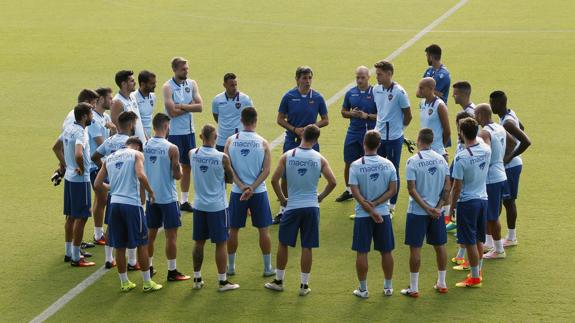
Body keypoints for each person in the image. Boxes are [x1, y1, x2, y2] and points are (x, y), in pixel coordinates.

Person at [265, 125, 337, 296]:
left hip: (293, 206)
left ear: (302, 135)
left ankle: (279, 280)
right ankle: (304, 285)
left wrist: (283, 199)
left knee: (283, 243)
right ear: (316, 139)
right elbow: (333, 182)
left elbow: (274, 180)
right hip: (312, 207)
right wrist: (320, 197)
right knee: (307, 246)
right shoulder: (319, 158)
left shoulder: (288, 155)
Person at [94, 137, 163, 292]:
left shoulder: (110, 158)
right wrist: (151, 192)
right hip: (132, 205)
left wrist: (113, 188)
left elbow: (97, 184)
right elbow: (140, 175)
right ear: (138, 146)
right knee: (142, 244)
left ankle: (125, 283)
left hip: (115, 205)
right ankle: (147, 283)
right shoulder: (136, 155)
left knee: (119, 246)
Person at [274, 66, 329, 224]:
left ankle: (309, 203)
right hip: (292, 140)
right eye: (304, 78)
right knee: (286, 173)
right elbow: (280, 119)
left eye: (310, 78)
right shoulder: (289, 97)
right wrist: (294, 129)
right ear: (297, 79)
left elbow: (325, 120)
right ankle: (284, 207)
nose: (308, 81)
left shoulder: (317, 97)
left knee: (312, 172)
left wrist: (311, 127)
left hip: (311, 141)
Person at [224, 107, 275, 277]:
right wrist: (252, 188)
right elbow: (266, 170)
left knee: (233, 229)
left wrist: (241, 186)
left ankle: (231, 267)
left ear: (241, 119)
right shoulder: (262, 142)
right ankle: (267, 268)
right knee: (263, 230)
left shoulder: (230, 141)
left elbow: (227, 168)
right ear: (256, 120)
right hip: (259, 192)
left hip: (237, 192)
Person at [400, 129, 451, 297]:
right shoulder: (441, 160)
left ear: (419, 139)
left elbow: (411, 189)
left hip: (417, 212)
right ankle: (442, 282)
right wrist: (438, 207)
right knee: (440, 246)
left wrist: (426, 208)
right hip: (437, 212)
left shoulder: (412, 161)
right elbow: (447, 187)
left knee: (415, 248)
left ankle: (414, 288)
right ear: (432, 140)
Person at [190, 125, 239, 292]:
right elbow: (231, 178)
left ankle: (197, 278)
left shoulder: (193, 153)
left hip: (199, 205)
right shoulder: (222, 157)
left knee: (199, 242)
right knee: (221, 243)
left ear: (201, 136)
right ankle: (222, 281)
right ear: (216, 137)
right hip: (218, 206)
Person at [348, 130, 397, 299]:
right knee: (386, 251)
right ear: (379, 144)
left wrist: (369, 208)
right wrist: (376, 206)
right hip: (383, 213)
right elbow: (393, 190)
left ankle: (363, 289)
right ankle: (388, 287)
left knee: (362, 252)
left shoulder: (355, 165)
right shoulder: (388, 164)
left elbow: (354, 191)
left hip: (362, 215)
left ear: (364, 143)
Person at [143, 113, 190, 281]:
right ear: (165, 126)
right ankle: (172, 271)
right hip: (168, 198)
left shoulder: (146, 145)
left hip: (151, 197)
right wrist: (181, 170)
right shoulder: (172, 148)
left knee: (151, 234)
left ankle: (148, 267)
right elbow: (177, 175)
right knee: (171, 236)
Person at [92, 111, 140, 269]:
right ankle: (132, 261)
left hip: (114, 188)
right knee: (132, 227)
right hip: (129, 190)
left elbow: (94, 156)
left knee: (112, 225)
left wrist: (104, 169)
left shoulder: (110, 140)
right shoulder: (131, 142)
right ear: (131, 124)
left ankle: (108, 259)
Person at [450, 117, 491, 288]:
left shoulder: (461, 158)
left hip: (467, 202)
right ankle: (477, 272)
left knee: (470, 241)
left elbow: (457, 187)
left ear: (461, 133)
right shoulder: (486, 149)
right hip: (483, 199)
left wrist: (451, 207)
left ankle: (474, 278)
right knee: (479, 239)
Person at [55, 103, 95, 267]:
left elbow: (56, 147)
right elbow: (79, 153)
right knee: (82, 216)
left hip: (70, 178)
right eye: (91, 114)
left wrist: (66, 165)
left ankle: (68, 252)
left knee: (71, 216)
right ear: (85, 116)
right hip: (80, 180)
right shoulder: (81, 132)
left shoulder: (69, 129)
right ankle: (77, 257)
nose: (92, 116)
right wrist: (82, 167)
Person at [475, 104, 517, 259]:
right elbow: (512, 142)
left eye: (475, 115)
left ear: (480, 115)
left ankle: (498, 249)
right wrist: (502, 159)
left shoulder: (484, 132)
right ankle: (491, 243)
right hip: (501, 174)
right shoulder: (499, 127)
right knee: (493, 212)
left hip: (491, 177)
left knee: (492, 215)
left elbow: (484, 153)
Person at [490, 91, 531, 246]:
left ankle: (511, 237)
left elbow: (526, 141)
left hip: (511, 166)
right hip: (510, 166)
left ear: (500, 104)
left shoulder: (507, 122)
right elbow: (522, 127)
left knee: (508, 201)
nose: (491, 105)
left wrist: (509, 157)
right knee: (506, 201)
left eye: (493, 103)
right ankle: (508, 236)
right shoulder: (509, 114)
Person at [163, 57, 203, 212]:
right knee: (173, 166)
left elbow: (200, 107)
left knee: (187, 167)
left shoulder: (192, 84)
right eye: (183, 69)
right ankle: (170, 199)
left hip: (190, 132)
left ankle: (184, 200)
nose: (186, 71)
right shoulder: (168, 87)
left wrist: (182, 106)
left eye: (187, 68)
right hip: (174, 133)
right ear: (174, 69)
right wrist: (189, 107)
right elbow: (171, 112)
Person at [372, 60, 412, 215]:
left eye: (380, 74)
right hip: (379, 137)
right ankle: (379, 201)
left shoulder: (399, 92)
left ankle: (392, 206)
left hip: (394, 139)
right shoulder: (376, 90)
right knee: (379, 169)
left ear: (389, 74)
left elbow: (408, 115)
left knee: (393, 171)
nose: (377, 77)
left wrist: (400, 130)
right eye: (377, 74)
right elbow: (381, 112)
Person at [335, 66, 377, 203]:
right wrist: (351, 114)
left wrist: (367, 116)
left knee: (370, 163)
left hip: (370, 134)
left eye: (362, 77)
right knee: (349, 162)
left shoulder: (376, 93)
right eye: (357, 77)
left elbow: (382, 115)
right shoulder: (350, 93)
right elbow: (343, 111)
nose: (359, 80)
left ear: (368, 77)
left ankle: (369, 191)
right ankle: (349, 191)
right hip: (353, 132)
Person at [88, 87, 114, 245]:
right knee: (102, 197)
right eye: (109, 98)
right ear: (100, 100)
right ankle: (98, 234)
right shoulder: (94, 120)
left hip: (105, 163)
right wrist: (113, 132)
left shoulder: (106, 116)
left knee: (101, 198)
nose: (112, 101)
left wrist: (112, 131)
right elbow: (101, 144)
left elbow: (110, 138)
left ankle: (99, 233)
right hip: (95, 164)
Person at [212, 73, 254, 152]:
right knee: (222, 163)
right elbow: (216, 116)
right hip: (222, 141)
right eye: (231, 85)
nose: (234, 88)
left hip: (239, 141)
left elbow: (252, 117)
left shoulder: (245, 99)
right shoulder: (217, 100)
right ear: (224, 85)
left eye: (235, 85)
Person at [416, 77, 451, 159]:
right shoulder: (422, 103)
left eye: (422, 88)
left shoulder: (440, 106)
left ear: (431, 89)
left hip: (437, 152)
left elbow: (447, 131)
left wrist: (441, 147)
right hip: (424, 150)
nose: (419, 90)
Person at [111, 70, 147, 143]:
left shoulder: (132, 97)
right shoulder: (117, 102)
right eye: (132, 81)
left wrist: (146, 138)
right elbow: (119, 129)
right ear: (124, 84)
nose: (135, 83)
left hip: (141, 143)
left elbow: (138, 121)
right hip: (131, 146)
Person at [132, 70, 157, 138]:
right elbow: (135, 122)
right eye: (152, 83)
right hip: (136, 137)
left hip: (148, 136)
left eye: (155, 83)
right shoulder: (133, 97)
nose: (155, 85)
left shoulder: (153, 96)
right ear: (143, 84)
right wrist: (144, 138)